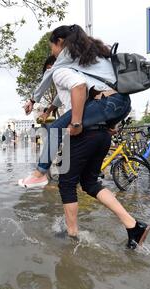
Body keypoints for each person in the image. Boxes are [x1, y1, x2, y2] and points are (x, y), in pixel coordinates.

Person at [19, 24, 131, 188]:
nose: (53, 53)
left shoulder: (66, 55)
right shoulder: (94, 54)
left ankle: (39, 174)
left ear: (60, 41)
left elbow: (72, 83)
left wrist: (32, 100)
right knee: (90, 184)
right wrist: (112, 123)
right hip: (123, 103)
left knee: (55, 129)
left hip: (106, 103)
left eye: (52, 48)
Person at [59, 124, 150, 249]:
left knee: (66, 184)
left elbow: (71, 115)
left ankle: (72, 233)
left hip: (82, 134)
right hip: (103, 136)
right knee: (90, 183)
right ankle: (133, 225)